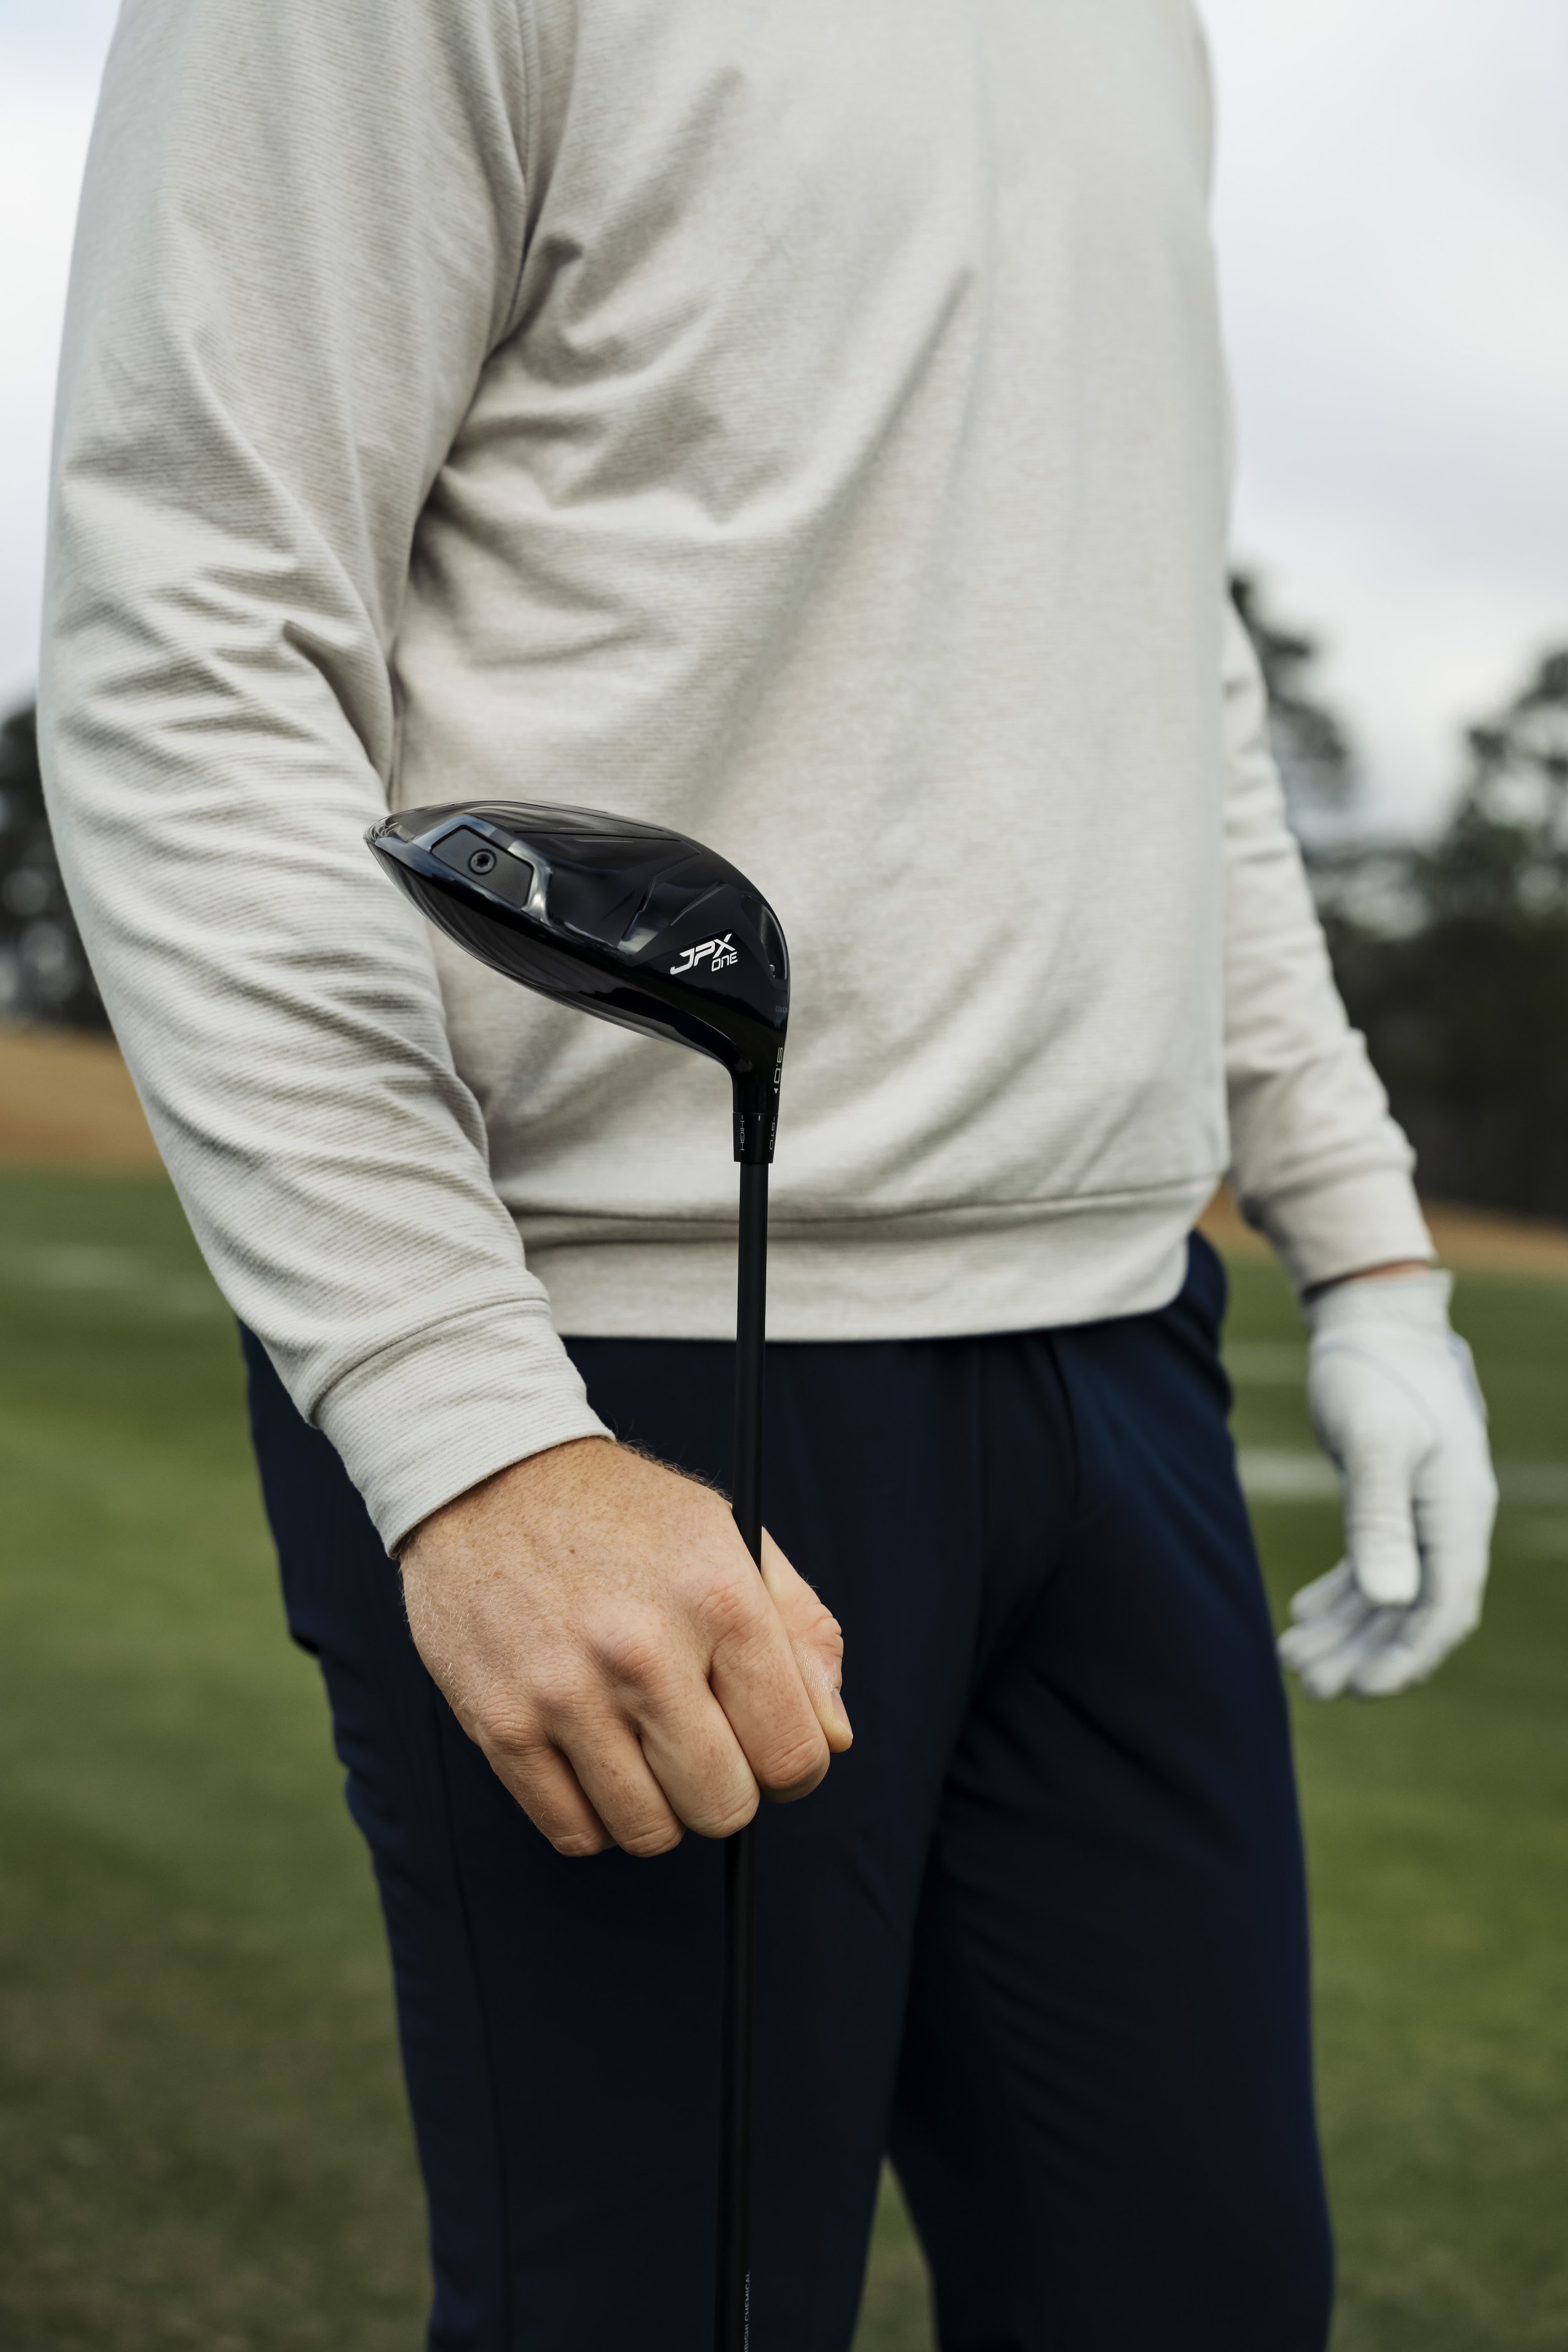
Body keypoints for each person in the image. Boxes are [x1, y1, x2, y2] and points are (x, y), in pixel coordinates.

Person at [41, 3, 1498, 2346]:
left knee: (1205, 2295)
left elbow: (1169, 679)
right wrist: (472, 1432)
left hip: (1122, 1368)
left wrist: (1367, 1247)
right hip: (627, 1377)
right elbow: (194, 631)